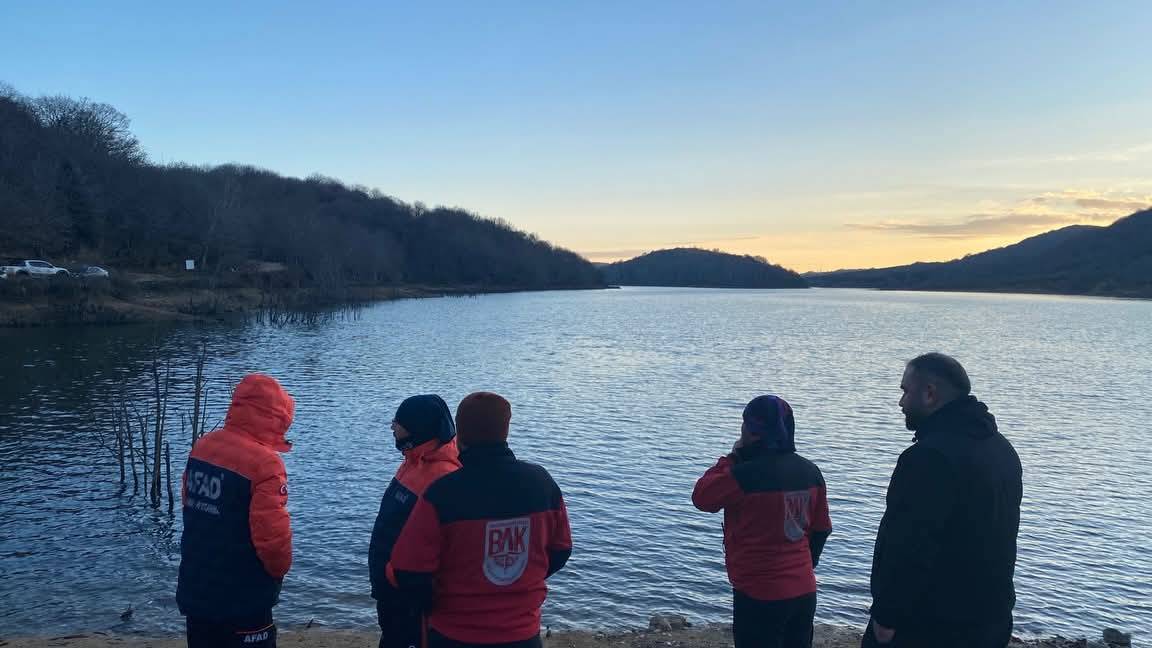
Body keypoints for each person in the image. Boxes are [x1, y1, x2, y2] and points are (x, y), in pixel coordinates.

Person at [388, 392, 573, 648]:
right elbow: (561, 550)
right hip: (522, 633)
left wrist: (435, 602)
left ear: (460, 433)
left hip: (454, 633)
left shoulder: (442, 493)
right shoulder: (542, 484)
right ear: (505, 430)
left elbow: (407, 570)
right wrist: (518, 584)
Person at [862, 353, 1022, 648]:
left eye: (905, 391)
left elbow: (908, 545)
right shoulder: (1001, 449)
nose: (901, 403)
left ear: (930, 393)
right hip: (990, 617)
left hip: (932, 625)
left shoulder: (929, 458)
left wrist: (886, 617)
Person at [692, 395, 833, 648]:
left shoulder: (744, 475)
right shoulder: (811, 472)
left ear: (753, 431)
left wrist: (732, 457)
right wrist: (803, 566)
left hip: (758, 593)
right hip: (803, 590)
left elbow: (702, 497)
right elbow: (821, 528)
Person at [176, 374, 295, 648]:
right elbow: (273, 540)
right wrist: (277, 574)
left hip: (197, 585)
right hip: (243, 596)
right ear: (277, 417)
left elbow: (187, 502)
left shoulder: (204, 445)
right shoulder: (266, 464)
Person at [369, 394, 462, 648]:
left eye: (397, 423)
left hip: (408, 594)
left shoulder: (443, 476)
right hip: (391, 589)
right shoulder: (413, 462)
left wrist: (407, 585)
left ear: (417, 428)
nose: (392, 427)